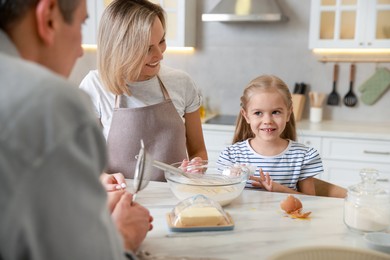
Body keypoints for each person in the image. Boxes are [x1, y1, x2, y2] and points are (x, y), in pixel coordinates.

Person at [0, 0, 152, 259]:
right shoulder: (50, 102)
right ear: (49, 18)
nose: (81, 51)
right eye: (82, 23)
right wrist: (122, 237)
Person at [79, 0, 207, 181]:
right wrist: (101, 179)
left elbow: (198, 151)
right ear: (120, 49)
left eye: (162, 41)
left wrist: (196, 166)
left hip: (176, 201)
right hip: (121, 201)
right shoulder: (95, 86)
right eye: (147, 48)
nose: (160, 54)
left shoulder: (182, 83)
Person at [217, 75, 323, 195]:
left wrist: (280, 189)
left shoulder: (304, 156)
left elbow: (311, 201)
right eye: (258, 113)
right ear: (246, 116)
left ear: (288, 113)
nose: (267, 120)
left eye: (276, 112)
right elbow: (221, 195)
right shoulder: (231, 156)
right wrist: (231, 180)